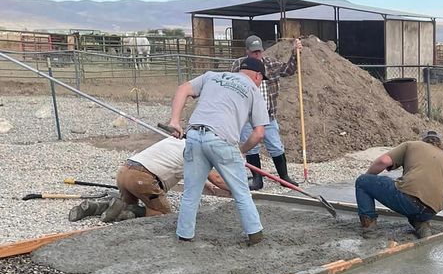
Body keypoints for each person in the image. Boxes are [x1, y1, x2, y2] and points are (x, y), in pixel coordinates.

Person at [166, 60, 269, 245]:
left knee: (191, 192)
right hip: (222, 139)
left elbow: (183, 89)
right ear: (257, 76)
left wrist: (175, 120)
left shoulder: (211, 76)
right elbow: (259, 134)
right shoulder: (254, 91)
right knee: (241, 192)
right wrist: (241, 150)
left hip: (194, 135)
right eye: (261, 79)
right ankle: (255, 234)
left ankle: (184, 235)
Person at [67, 136, 229, 224]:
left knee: (130, 203)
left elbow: (190, 171)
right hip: (142, 178)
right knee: (163, 213)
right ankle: (127, 214)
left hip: (124, 172)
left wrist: (204, 182)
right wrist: (238, 190)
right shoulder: (197, 152)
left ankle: (96, 207)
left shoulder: (176, 142)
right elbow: (218, 179)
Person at [355, 130, 443, 239]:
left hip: (407, 200)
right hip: (429, 212)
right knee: (418, 207)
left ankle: (370, 231)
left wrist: (368, 179)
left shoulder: (412, 145)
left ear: (423, 140)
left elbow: (383, 161)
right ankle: (423, 228)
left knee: (362, 182)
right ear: (442, 145)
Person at [231, 34, 301, 190]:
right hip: (247, 116)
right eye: (253, 52)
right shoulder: (238, 65)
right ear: (247, 51)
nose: (257, 54)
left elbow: (288, 70)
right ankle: (257, 179)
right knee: (252, 147)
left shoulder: (270, 64)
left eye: (259, 51)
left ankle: (284, 177)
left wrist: (295, 54)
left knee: (276, 146)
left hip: (268, 115)